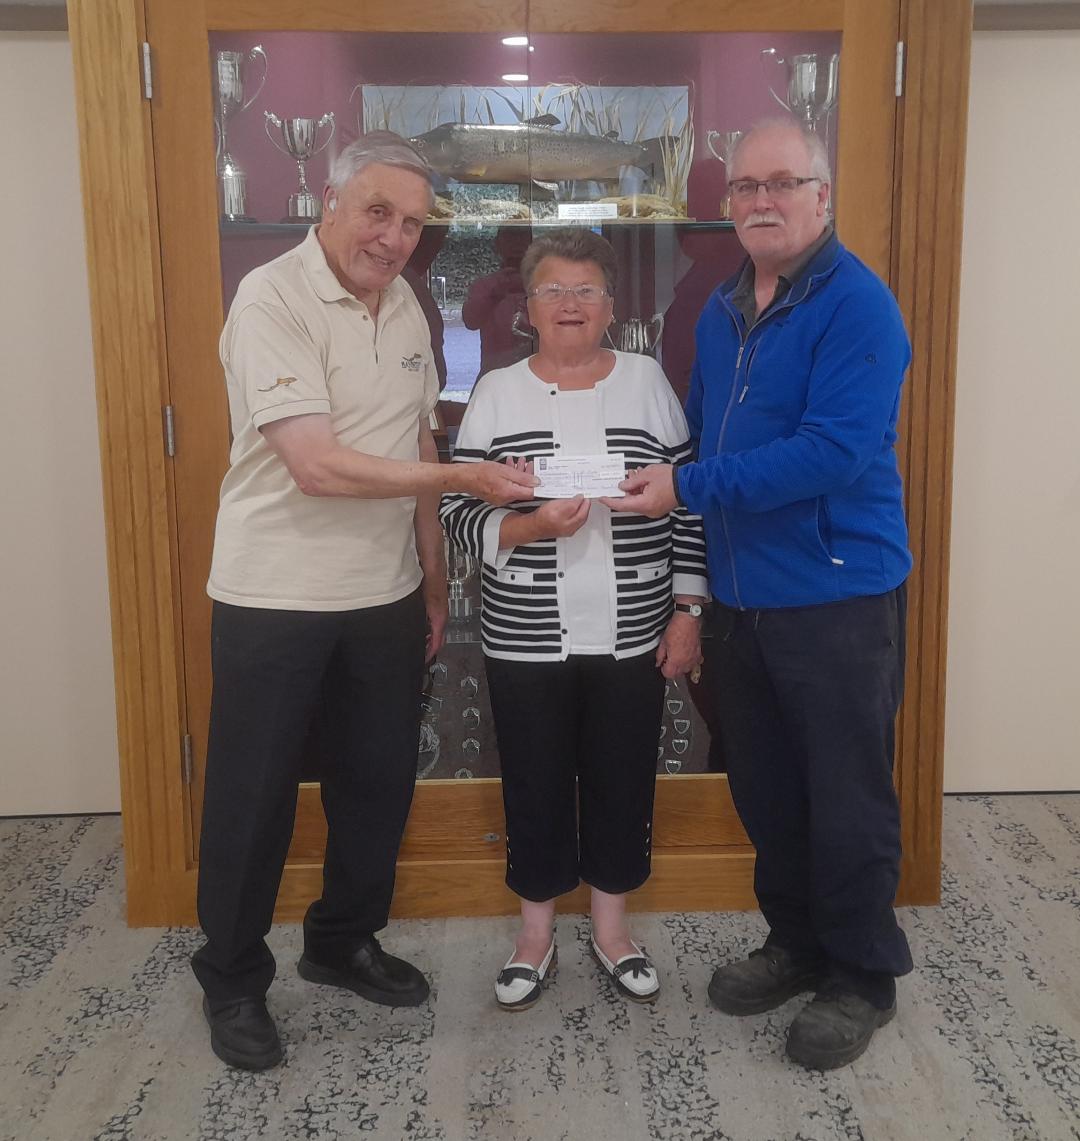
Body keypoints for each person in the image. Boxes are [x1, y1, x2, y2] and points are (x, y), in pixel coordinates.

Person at [192, 131, 536, 1071]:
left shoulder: (411, 306)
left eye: (413, 223)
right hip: (274, 594)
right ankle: (232, 978)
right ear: (330, 201)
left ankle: (342, 939)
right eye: (378, 212)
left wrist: (433, 576)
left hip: (383, 597)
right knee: (253, 797)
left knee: (377, 783)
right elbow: (316, 465)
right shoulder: (271, 297)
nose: (393, 237)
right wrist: (465, 477)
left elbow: (413, 439)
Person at [606, 119, 914, 1069]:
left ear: (823, 195)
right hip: (739, 603)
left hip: (835, 598)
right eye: (744, 186)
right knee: (768, 787)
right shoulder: (722, 306)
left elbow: (832, 453)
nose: (761, 200)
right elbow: (699, 437)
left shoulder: (859, 306)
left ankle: (861, 975)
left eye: (783, 182)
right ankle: (796, 941)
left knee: (846, 796)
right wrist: (688, 578)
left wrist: (684, 487)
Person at [440, 229, 708, 1010]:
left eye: (586, 290)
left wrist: (688, 610)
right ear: (527, 307)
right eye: (553, 289)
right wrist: (529, 525)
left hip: (635, 628)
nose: (569, 303)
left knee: (623, 777)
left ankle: (612, 929)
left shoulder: (647, 382)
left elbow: (689, 502)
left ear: (611, 308)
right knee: (534, 779)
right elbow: (457, 511)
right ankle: (535, 934)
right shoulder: (497, 392)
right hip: (525, 633)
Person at [461, 225, 534, 380]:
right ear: (498, 244)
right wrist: (494, 293)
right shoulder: (485, 286)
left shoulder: (542, 285)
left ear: (530, 243)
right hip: (494, 375)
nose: (516, 244)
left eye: (521, 238)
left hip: (537, 373)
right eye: (510, 238)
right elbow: (471, 321)